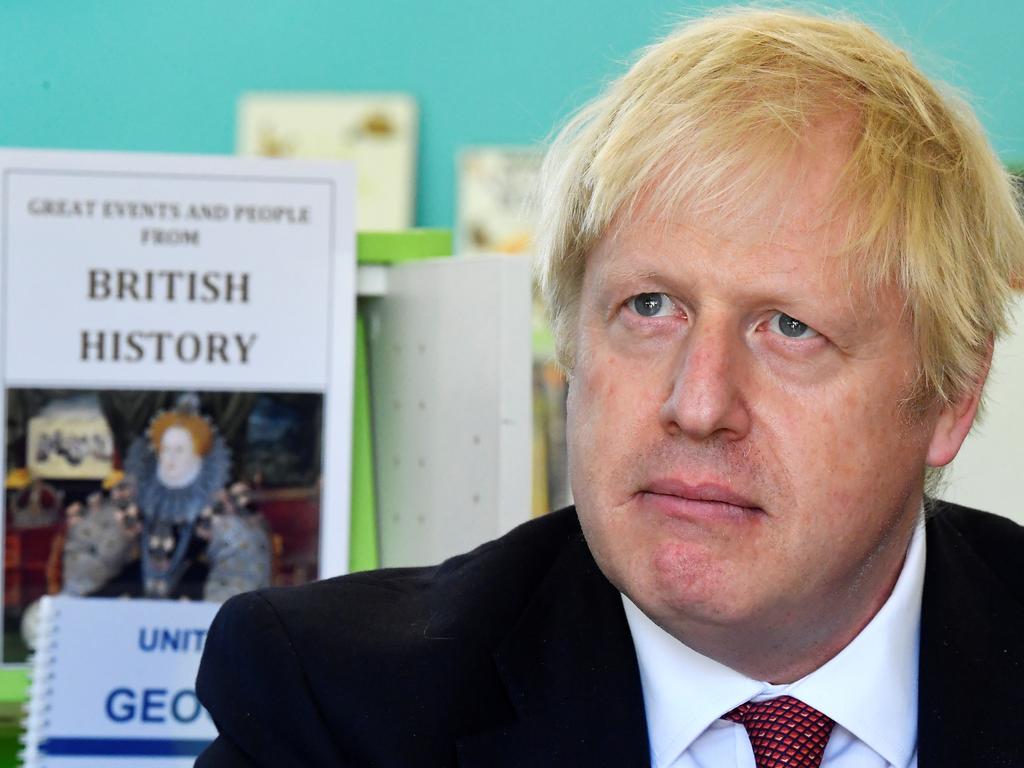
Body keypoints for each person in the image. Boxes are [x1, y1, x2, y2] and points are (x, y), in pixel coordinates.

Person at [195, 8, 1024, 767]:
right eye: (650, 307)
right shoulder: (338, 709)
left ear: (952, 394)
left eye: (790, 328)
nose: (698, 405)